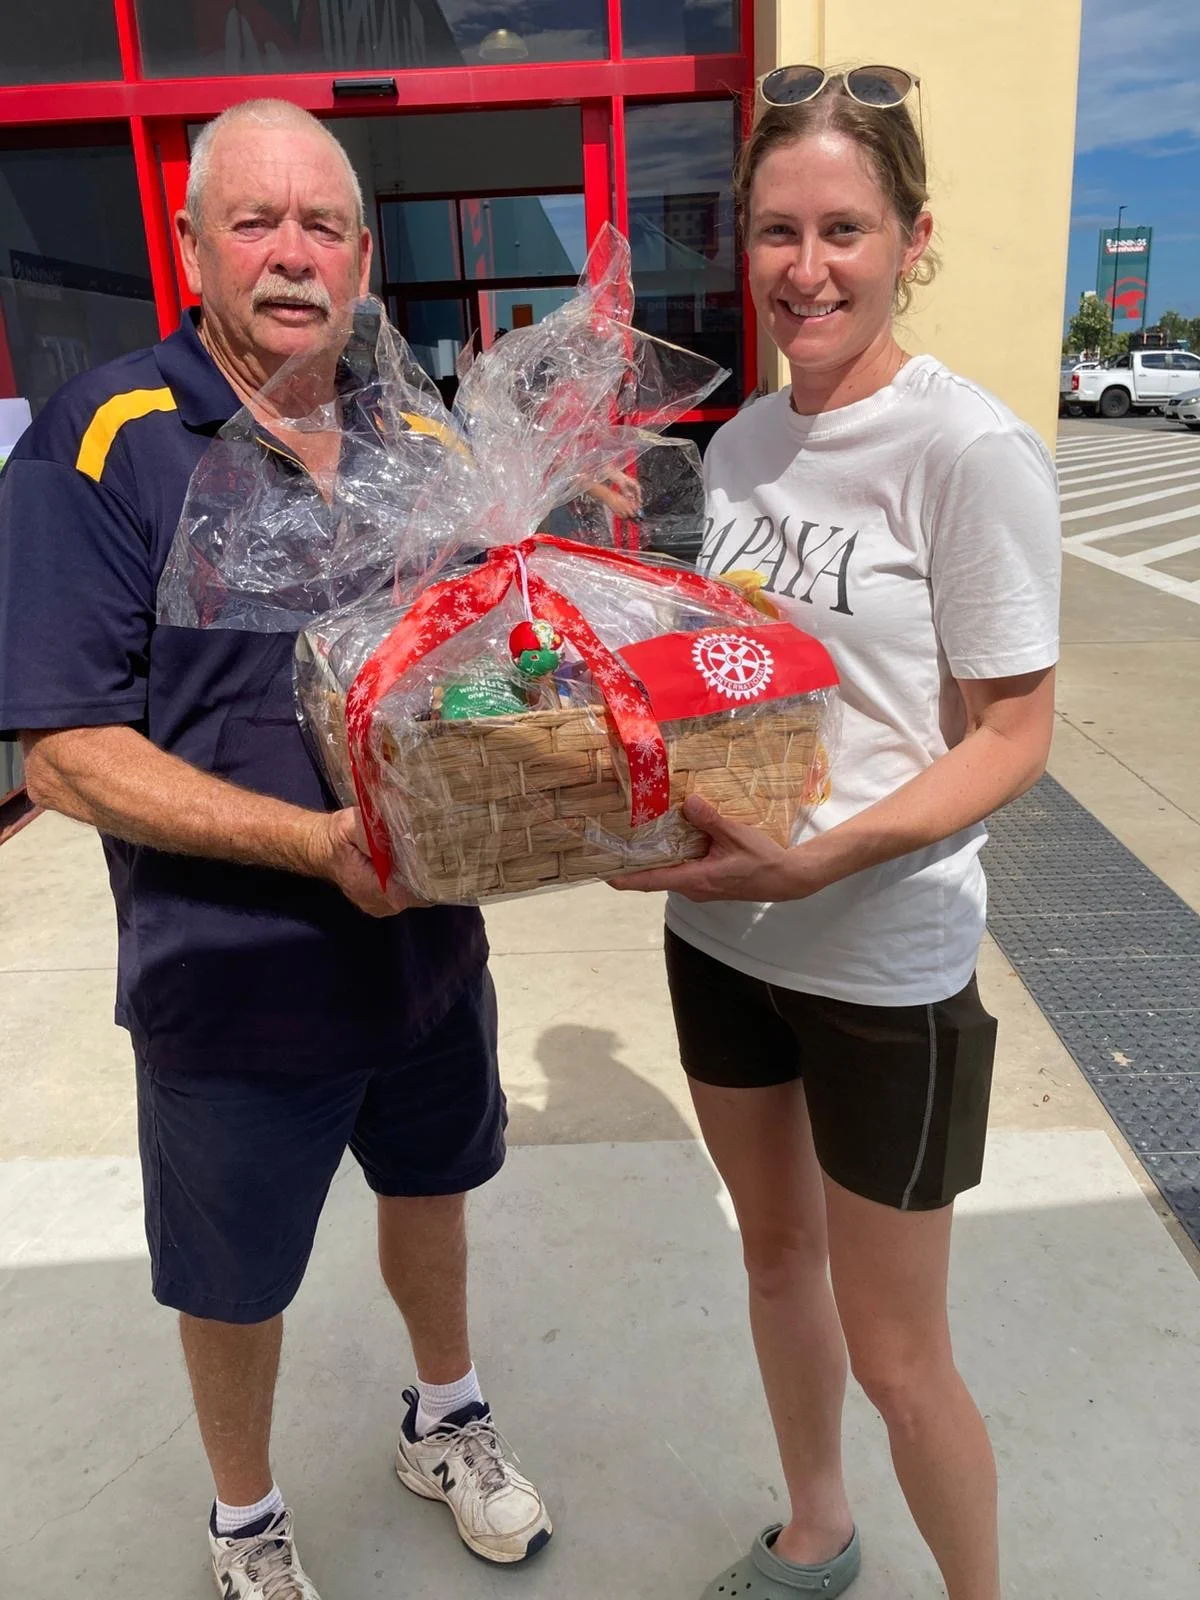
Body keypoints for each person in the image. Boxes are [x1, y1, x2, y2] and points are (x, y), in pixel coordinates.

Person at [0, 99, 551, 1600]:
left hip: (429, 947)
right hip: (232, 981)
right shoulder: (104, 437)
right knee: (235, 1276)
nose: (293, 256)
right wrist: (313, 847)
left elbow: (493, 667)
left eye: (323, 227)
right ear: (191, 247)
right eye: (256, 222)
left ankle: (447, 1419)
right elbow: (64, 750)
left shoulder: (423, 436)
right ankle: (243, 1519)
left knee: (433, 1187)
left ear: (366, 258)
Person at [614, 65, 1061, 1600]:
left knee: (902, 1358)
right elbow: (729, 684)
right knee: (772, 1259)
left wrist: (825, 855)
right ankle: (818, 1530)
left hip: (880, 959)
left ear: (912, 238)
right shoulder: (734, 449)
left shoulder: (969, 454)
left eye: (846, 231)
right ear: (744, 245)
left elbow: (1015, 734)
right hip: (719, 938)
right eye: (779, 231)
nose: (809, 268)